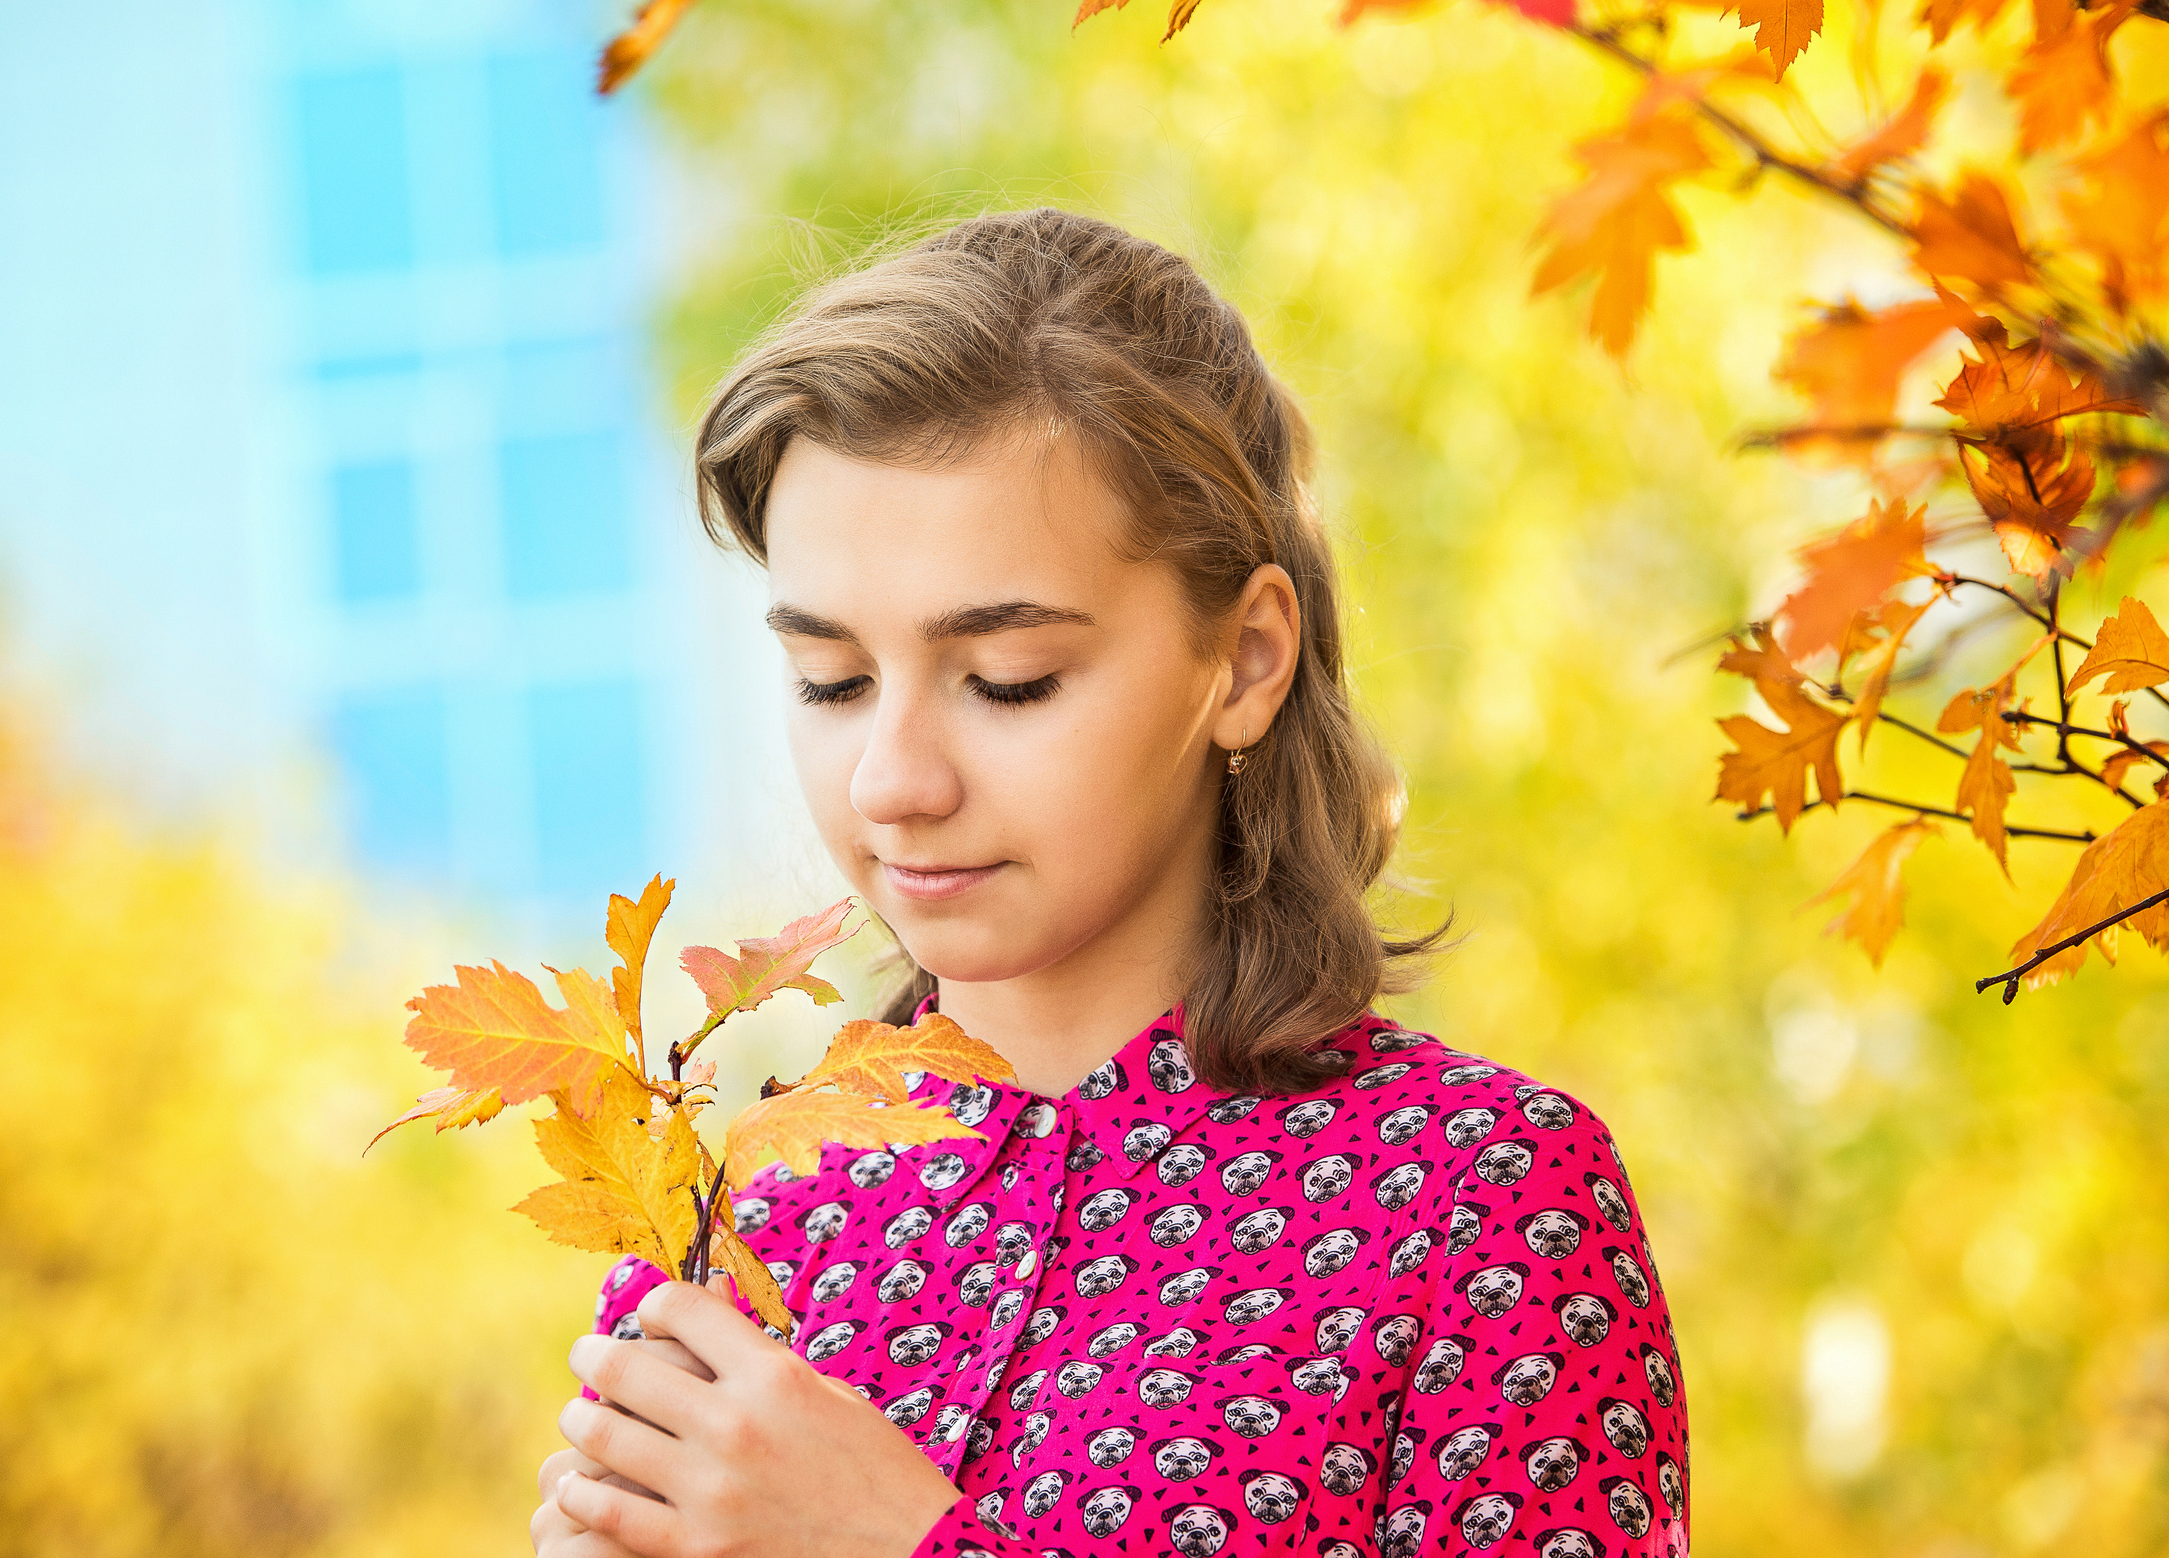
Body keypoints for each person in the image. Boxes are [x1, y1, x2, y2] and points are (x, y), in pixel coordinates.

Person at [531, 209, 1689, 1558]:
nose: (891, 780)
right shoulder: (732, 1234)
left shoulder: (1478, 1207)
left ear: (1246, 661)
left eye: (1008, 680)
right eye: (831, 681)